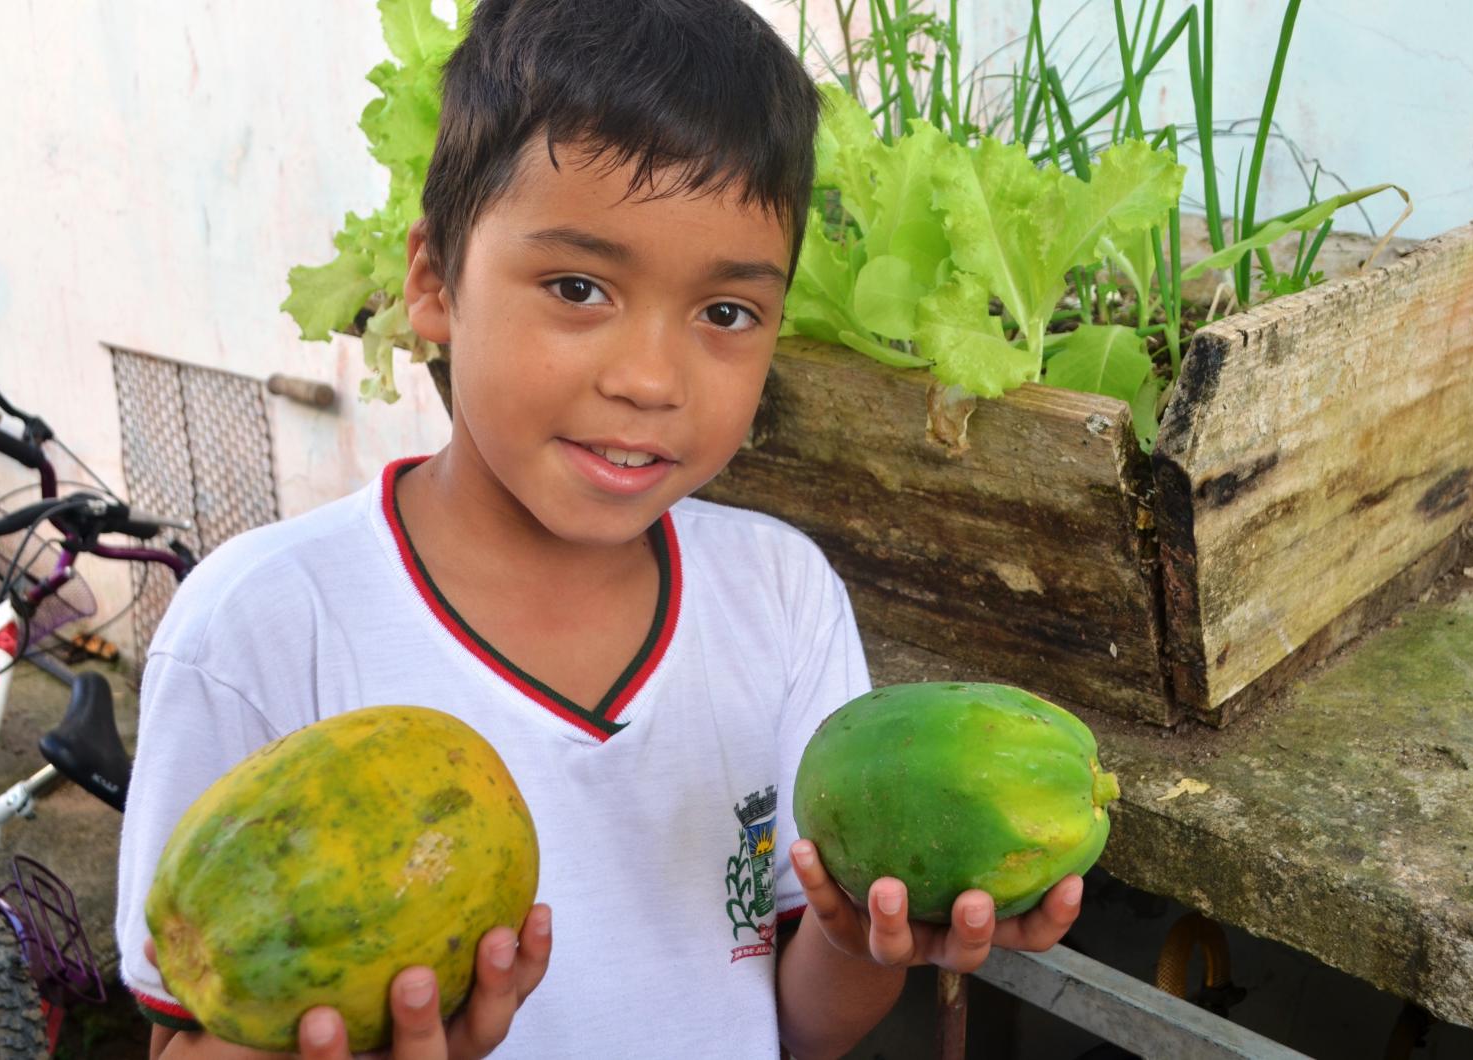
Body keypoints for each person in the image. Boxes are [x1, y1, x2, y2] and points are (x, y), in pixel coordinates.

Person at [115, 0, 1084, 1056]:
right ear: (434, 280)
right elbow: (184, 1033)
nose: (649, 380)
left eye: (725, 313)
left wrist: (864, 937)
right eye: (578, 287)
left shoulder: (782, 594)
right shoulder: (259, 626)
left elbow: (800, 1028)